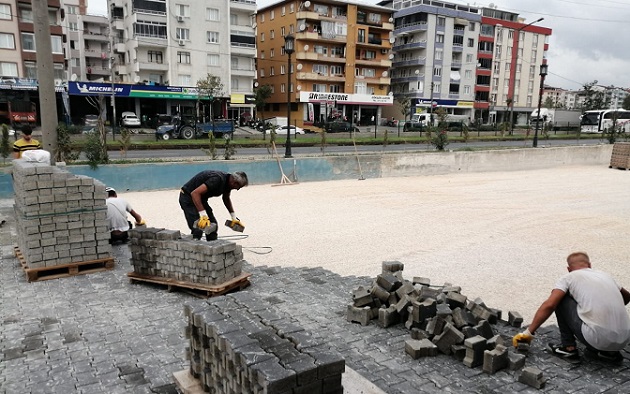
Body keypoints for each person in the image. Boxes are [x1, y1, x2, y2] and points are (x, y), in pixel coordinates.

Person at [513, 252, 630, 362]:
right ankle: (608, 354)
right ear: (589, 265)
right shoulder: (605, 276)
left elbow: (549, 305)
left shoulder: (569, 277)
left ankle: (569, 348)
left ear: (569, 269)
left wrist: (528, 333)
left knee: (560, 299)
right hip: (623, 340)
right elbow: (627, 297)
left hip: (596, 339)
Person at [179, 170, 248, 241]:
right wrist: (203, 216)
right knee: (198, 228)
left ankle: (212, 247)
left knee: (212, 226)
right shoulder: (217, 179)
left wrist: (233, 217)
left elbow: (226, 199)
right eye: (239, 186)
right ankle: (194, 247)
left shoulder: (227, 182)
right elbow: (195, 194)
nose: (238, 189)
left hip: (201, 199)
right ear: (234, 182)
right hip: (187, 197)